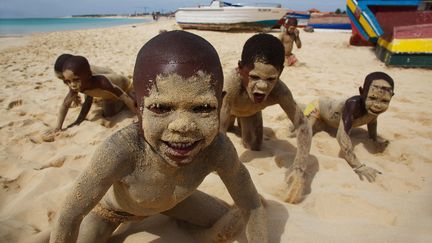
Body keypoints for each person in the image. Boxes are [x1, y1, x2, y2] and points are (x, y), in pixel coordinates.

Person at [48, 30, 267, 243]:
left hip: (175, 202)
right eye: (161, 107)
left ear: (219, 103)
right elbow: (69, 214)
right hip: (115, 211)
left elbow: (252, 206)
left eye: (202, 108)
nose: (183, 126)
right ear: (139, 108)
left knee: (229, 218)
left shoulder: (217, 148)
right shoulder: (121, 150)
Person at [220, 33, 312, 204]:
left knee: (254, 146)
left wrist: (299, 167)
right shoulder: (230, 85)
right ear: (241, 69)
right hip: (227, 109)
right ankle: (236, 123)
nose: (262, 86)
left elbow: (302, 124)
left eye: (270, 79)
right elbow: (219, 133)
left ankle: (241, 124)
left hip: (250, 112)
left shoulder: (279, 91)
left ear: (281, 72)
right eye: (254, 77)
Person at [292, 71, 395, 182]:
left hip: (330, 112)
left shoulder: (371, 110)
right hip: (316, 107)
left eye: (384, 101)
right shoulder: (353, 105)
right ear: (361, 92)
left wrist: (374, 139)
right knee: (304, 131)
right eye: (372, 98)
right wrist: (358, 166)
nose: (377, 105)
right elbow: (341, 137)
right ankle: (299, 109)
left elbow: (372, 121)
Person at [47, 54, 136, 136]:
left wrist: (79, 120)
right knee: (109, 113)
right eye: (65, 80)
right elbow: (65, 104)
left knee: (127, 100)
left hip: (120, 85)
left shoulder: (90, 79)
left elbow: (88, 101)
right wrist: (58, 127)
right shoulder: (75, 77)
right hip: (108, 91)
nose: (66, 83)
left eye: (62, 78)